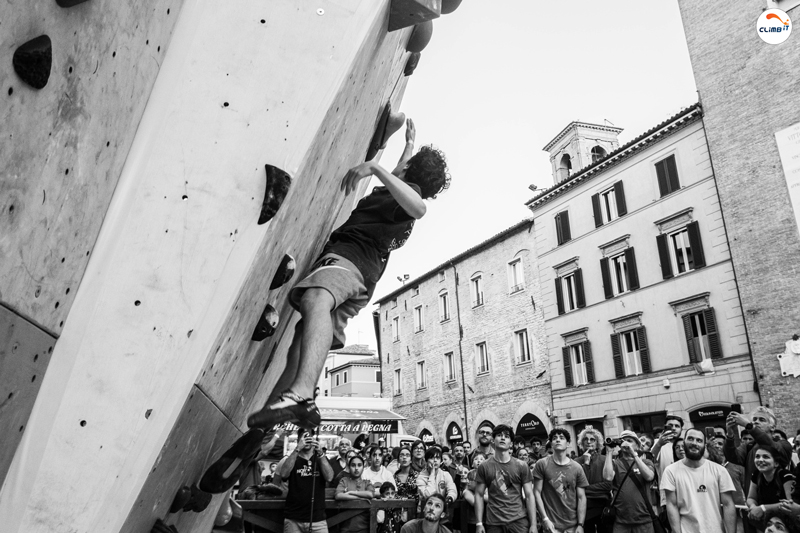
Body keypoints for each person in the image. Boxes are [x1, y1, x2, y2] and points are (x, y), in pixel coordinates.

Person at [247, 120, 449, 429]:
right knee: (301, 345)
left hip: (350, 262)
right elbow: (400, 176)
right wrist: (407, 145)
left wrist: (375, 167)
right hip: (362, 278)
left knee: (315, 298)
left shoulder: (407, 200)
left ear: (410, 176)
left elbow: (419, 207)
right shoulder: (395, 194)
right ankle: (265, 430)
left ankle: (301, 396)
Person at [661, 428, 736, 533]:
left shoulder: (719, 470)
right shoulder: (671, 471)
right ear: (684, 442)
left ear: (704, 446)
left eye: (699, 440)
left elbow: (728, 504)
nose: (694, 443)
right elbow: (672, 505)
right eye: (690, 439)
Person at [474, 424, 537, 533]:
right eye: (499, 435)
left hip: (518, 521)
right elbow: (479, 494)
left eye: (506, 436)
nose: (503, 438)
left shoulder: (521, 465)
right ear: (493, 440)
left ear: (511, 443)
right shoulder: (484, 466)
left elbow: (529, 495)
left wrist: (534, 524)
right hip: (494, 523)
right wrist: (479, 523)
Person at [726, 407, 793, 496]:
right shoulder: (749, 446)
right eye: (754, 419)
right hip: (753, 501)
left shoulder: (784, 444)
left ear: (772, 427)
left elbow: (770, 447)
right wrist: (730, 433)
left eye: (762, 420)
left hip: (779, 501)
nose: (756, 422)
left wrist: (748, 425)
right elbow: (732, 457)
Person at [278, 428, 334, 533]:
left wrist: (321, 453)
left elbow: (329, 477)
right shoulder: (292, 459)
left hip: (317, 519)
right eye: (304, 437)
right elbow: (284, 474)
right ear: (298, 440)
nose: (307, 440)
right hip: (293, 518)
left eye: (309, 437)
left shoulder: (320, 459)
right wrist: (297, 449)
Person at [533, 428, 589, 533]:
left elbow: (581, 497)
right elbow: (536, 492)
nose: (558, 440)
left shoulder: (577, 467)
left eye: (561, 438)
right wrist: (545, 519)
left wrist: (580, 525)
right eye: (555, 438)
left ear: (568, 443)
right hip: (551, 526)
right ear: (551, 443)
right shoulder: (542, 464)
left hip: (572, 525)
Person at [602, 430, 656, 533]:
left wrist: (634, 454)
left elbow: (649, 477)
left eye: (630, 441)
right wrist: (609, 452)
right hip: (621, 521)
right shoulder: (616, 463)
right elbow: (608, 477)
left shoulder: (646, 462)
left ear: (637, 445)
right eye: (623, 441)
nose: (626, 443)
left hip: (644, 520)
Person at [745, 445, 795, 529]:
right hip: (765, 521)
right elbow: (751, 498)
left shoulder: (785, 475)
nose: (760, 460)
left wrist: (763, 508)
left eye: (766, 457)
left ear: (776, 463)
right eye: (757, 456)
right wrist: (754, 508)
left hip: (785, 524)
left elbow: (790, 504)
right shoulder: (756, 474)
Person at [577, 427, 609, 533]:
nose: (589, 441)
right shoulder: (576, 462)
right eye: (586, 439)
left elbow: (608, 485)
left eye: (592, 439)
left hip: (602, 505)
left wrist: (585, 489)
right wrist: (585, 464)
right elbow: (577, 486)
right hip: (584, 508)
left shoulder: (605, 460)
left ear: (598, 442)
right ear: (582, 442)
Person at [335, 455, 375, 533]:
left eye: (359, 465)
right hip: (346, 528)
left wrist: (351, 492)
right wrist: (360, 498)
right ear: (349, 467)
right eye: (353, 465)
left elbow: (370, 494)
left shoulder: (367, 482)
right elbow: (338, 495)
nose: (356, 468)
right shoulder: (344, 480)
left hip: (364, 528)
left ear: (363, 467)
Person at [462, 452, 488, 533]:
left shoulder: (489, 477)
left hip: (488, 519)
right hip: (473, 521)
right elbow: (474, 502)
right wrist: (482, 495)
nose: (479, 461)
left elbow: (491, 498)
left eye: (482, 459)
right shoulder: (467, 490)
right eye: (476, 459)